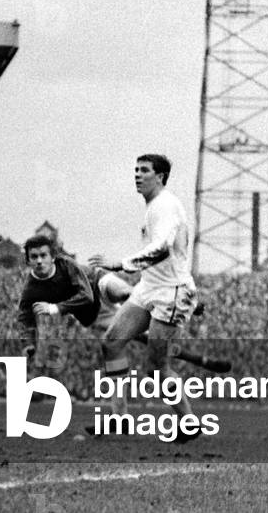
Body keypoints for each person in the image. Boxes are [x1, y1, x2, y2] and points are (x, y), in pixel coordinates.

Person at [90, 154, 202, 443]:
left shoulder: (165, 205)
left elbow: (162, 249)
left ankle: (188, 422)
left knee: (156, 369)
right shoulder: (154, 206)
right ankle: (119, 419)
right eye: (136, 170)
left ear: (161, 176)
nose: (138, 175)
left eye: (145, 171)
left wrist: (119, 264)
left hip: (171, 292)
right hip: (149, 287)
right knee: (112, 342)